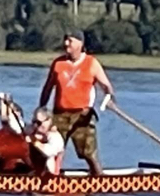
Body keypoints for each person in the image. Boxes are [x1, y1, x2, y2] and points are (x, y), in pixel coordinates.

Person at [39, 29, 114, 175]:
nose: (66, 44)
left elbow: (106, 86)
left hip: (82, 115)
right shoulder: (58, 64)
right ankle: (48, 178)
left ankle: (100, 180)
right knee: (51, 150)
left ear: (80, 43)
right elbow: (47, 88)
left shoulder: (91, 63)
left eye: (70, 41)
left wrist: (108, 95)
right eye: (65, 40)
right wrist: (41, 109)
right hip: (59, 114)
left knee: (88, 153)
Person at [0, 94, 30, 173]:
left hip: (20, 171)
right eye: (0, 113)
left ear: (19, 114)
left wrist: (5, 103)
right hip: (0, 170)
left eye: (10, 113)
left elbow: (6, 120)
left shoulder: (23, 130)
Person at [25, 106, 65, 176]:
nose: (36, 125)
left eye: (39, 122)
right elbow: (16, 128)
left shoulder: (55, 137)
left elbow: (49, 152)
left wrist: (34, 141)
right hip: (34, 173)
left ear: (49, 121)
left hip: (51, 176)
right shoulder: (33, 129)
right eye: (34, 122)